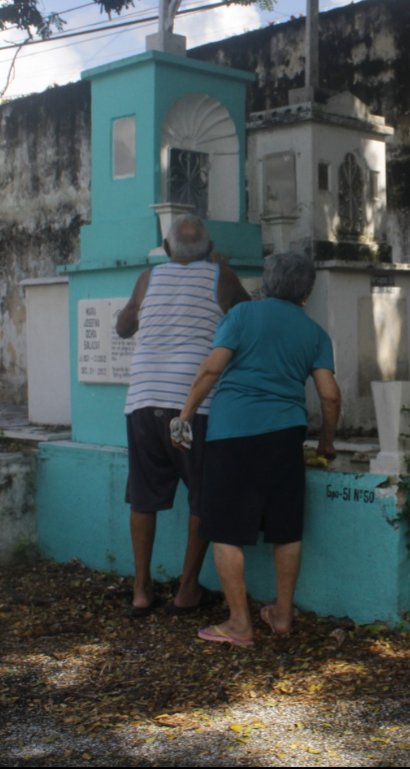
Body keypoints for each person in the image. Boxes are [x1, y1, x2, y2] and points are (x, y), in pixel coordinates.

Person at [174, 251, 341, 646]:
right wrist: (327, 440)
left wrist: (185, 415)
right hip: (286, 434)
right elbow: (330, 396)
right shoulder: (315, 333)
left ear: (267, 282)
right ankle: (282, 615)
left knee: (226, 531)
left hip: (232, 433)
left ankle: (239, 624)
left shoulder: (241, 316)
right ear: (308, 290)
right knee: (286, 528)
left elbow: (212, 368)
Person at [116, 213, 251, 617]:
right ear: (209, 250)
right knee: (201, 497)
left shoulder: (148, 278)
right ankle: (186, 590)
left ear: (168, 249)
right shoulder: (220, 278)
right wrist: (225, 271)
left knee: (143, 497)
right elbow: (247, 319)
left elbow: (124, 328)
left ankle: (141, 591)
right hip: (195, 406)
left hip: (143, 400)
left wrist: (133, 314)